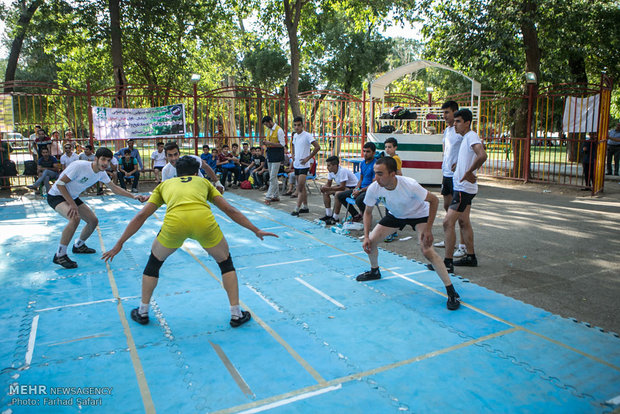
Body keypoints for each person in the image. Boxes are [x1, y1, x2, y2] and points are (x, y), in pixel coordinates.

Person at [101, 156, 278, 327]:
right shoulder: (204, 182)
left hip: (175, 225)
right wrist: (256, 229)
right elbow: (229, 210)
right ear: (196, 173)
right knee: (226, 264)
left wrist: (119, 243)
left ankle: (143, 311)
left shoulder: (165, 184)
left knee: (153, 264)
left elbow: (141, 216)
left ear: (177, 172)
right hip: (203, 223)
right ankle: (236, 314)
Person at [356, 157, 460, 310]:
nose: (375, 178)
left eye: (380, 174)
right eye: (375, 173)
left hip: (419, 215)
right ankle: (374, 271)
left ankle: (452, 291)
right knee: (370, 242)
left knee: (427, 250)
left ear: (393, 174)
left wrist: (429, 229)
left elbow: (434, 201)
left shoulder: (409, 185)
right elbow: (368, 213)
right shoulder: (374, 187)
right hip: (396, 215)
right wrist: (365, 236)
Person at [47, 148, 149, 269]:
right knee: (74, 218)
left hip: (72, 197)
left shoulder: (101, 173)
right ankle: (60, 254)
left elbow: (114, 188)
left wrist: (133, 196)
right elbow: (60, 184)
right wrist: (72, 204)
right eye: (103, 159)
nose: (105, 163)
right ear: (96, 159)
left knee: (93, 221)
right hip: (56, 195)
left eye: (108, 160)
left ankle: (79, 245)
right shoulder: (79, 166)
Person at [438, 108, 487, 271]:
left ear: (467, 123)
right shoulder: (466, 137)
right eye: (455, 121)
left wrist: (468, 171)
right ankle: (471, 257)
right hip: (464, 187)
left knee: (447, 222)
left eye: (458, 121)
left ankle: (448, 262)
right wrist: (460, 165)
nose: (455, 125)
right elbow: (472, 156)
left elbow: (482, 155)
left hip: (463, 188)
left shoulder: (471, 136)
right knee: (464, 221)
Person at [433, 101, 467, 259]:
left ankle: (463, 246)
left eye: (447, 112)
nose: (444, 116)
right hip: (446, 175)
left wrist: (461, 164)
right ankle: (450, 241)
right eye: (443, 113)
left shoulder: (462, 131)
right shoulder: (447, 130)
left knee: (460, 215)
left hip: (458, 178)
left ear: (455, 112)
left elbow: (472, 150)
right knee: (448, 209)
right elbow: (445, 150)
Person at [336, 142, 376, 222]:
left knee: (359, 200)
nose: (365, 154)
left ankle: (366, 216)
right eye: (364, 151)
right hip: (361, 189)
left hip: (371, 190)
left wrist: (360, 191)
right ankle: (356, 215)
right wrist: (356, 189)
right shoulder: (362, 163)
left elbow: (374, 184)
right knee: (340, 196)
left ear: (373, 153)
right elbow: (361, 179)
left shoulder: (376, 164)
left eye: (368, 152)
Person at [291, 116, 320, 216]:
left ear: (302, 125)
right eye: (295, 125)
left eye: (299, 125)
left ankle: (296, 208)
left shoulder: (307, 135)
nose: (297, 127)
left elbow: (317, 147)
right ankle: (305, 206)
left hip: (304, 165)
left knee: (299, 187)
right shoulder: (295, 136)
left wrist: (308, 158)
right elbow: (293, 145)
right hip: (297, 165)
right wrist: (293, 155)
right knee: (302, 188)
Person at [319, 155, 357, 225]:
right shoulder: (330, 172)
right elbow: (328, 184)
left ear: (335, 166)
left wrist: (328, 188)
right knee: (325, 192)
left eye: (329, 166)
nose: (327, 167)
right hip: (344, 187)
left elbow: (342, 187)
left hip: (353, 188)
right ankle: (328, 214)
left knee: (338, 194)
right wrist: (324, 187)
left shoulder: (342, 171)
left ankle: (335, 218)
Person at [261, 116, 286, 204]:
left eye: (266, 124)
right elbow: (268, 141)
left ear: (270, 121)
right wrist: (266, 143)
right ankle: (276, 196)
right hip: (270, 154)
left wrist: (270, 143)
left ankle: (268, 197)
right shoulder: (269, 131)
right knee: (273, 177)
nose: (266, 126)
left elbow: (282, 144)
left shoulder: (279, 130)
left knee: (272, 177)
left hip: (277, 155)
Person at [383, 137, 402, 243]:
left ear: (395, 147)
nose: (387, 149)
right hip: (390, 186)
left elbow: (398, 172)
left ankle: (392, 231)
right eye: (386, 147)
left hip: (394, 186)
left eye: (390, 147)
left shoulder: (395, 159)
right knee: (389, 208)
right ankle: (391, 230)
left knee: (391, 209)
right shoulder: (391, 158)